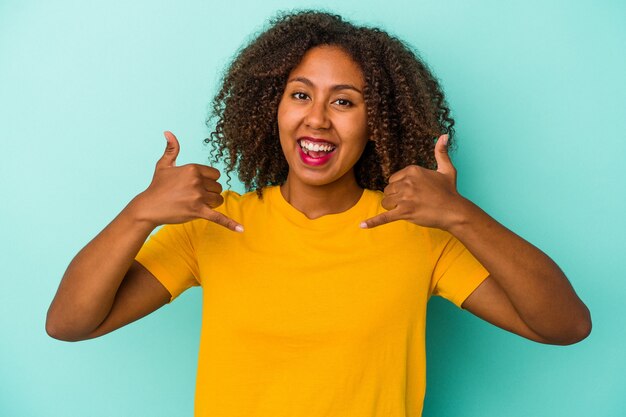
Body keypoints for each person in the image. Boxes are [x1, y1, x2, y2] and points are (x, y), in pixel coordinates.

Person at [46, 10, 591, 417]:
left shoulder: (419, 234)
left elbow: (566, 326)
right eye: (300, 95)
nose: (318, 120)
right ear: (270, 108)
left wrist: (460, 215)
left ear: (377, 121)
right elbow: (68, 324)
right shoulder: (213, 225)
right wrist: (139, 213)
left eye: (344, 101)